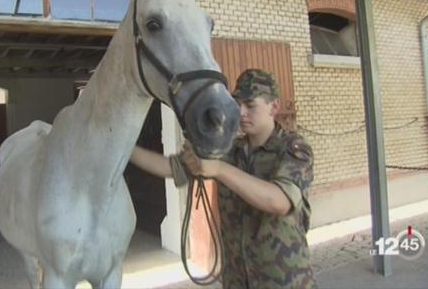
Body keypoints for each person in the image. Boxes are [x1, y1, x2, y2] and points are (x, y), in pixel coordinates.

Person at [130, 69, 316, 288]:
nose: (242, 112)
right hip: (237, 280)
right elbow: (171, 167)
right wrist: (125, 150)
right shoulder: (228, 149)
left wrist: (218, 169)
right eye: (237, 104)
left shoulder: (294, 149)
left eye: (250, 105)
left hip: (284, 280)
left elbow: (279, 202)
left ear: (273, 107)